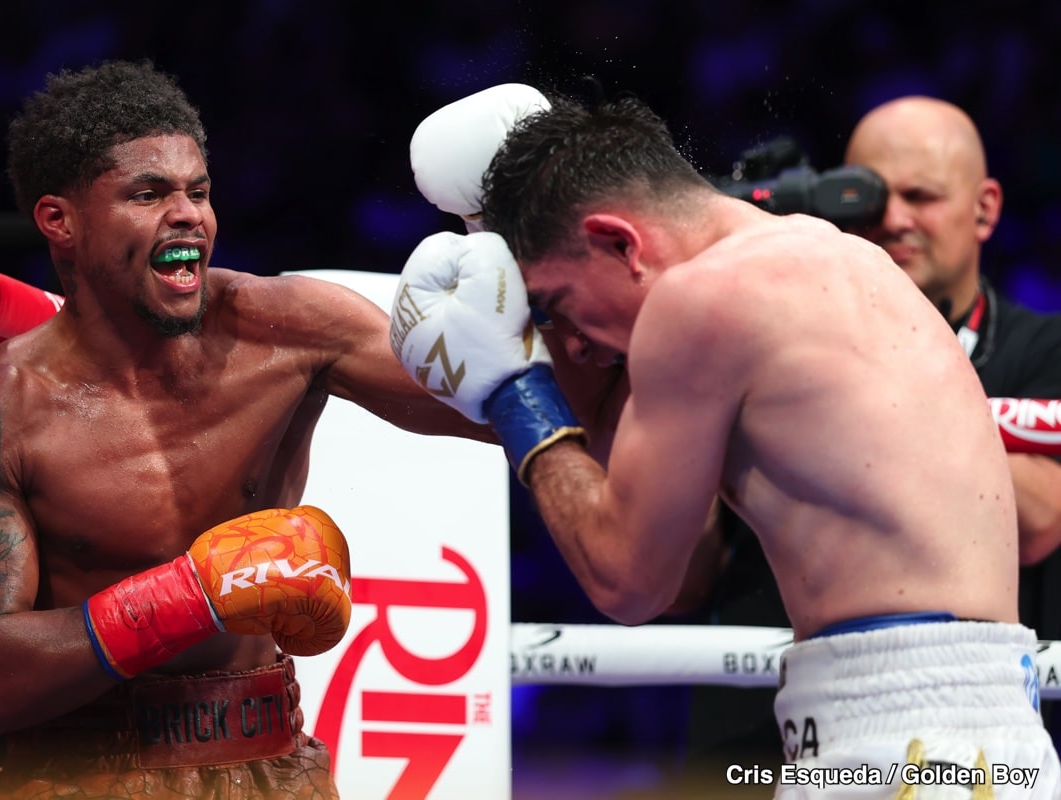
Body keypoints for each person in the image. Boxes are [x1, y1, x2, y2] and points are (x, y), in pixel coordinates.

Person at [390, 89, 1061, 796]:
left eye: (557, 307)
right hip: (963, 733)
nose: (575, 345)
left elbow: (629, 581)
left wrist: (512, 389)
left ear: (619, 241)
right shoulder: (828, 259)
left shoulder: (700, 302)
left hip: (907, 745)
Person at [0, 58, 490, 800]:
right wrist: (194, 596)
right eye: (148, 194)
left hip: (271, 765)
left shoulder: (287, 328)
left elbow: (492, 407)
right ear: (60, 220)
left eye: (198, 191)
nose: (188, 214)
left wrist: (529, 286)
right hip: (78, 776)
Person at [678, 95, 1061, 792]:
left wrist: (828, 425)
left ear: (984, 209)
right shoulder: (765, 340)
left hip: (945, 738)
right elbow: (673, 576)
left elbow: (1035, 520)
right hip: (750, 731)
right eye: (869, 194)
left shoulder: (1044, 347)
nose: (892, 219)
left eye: (921, 196)